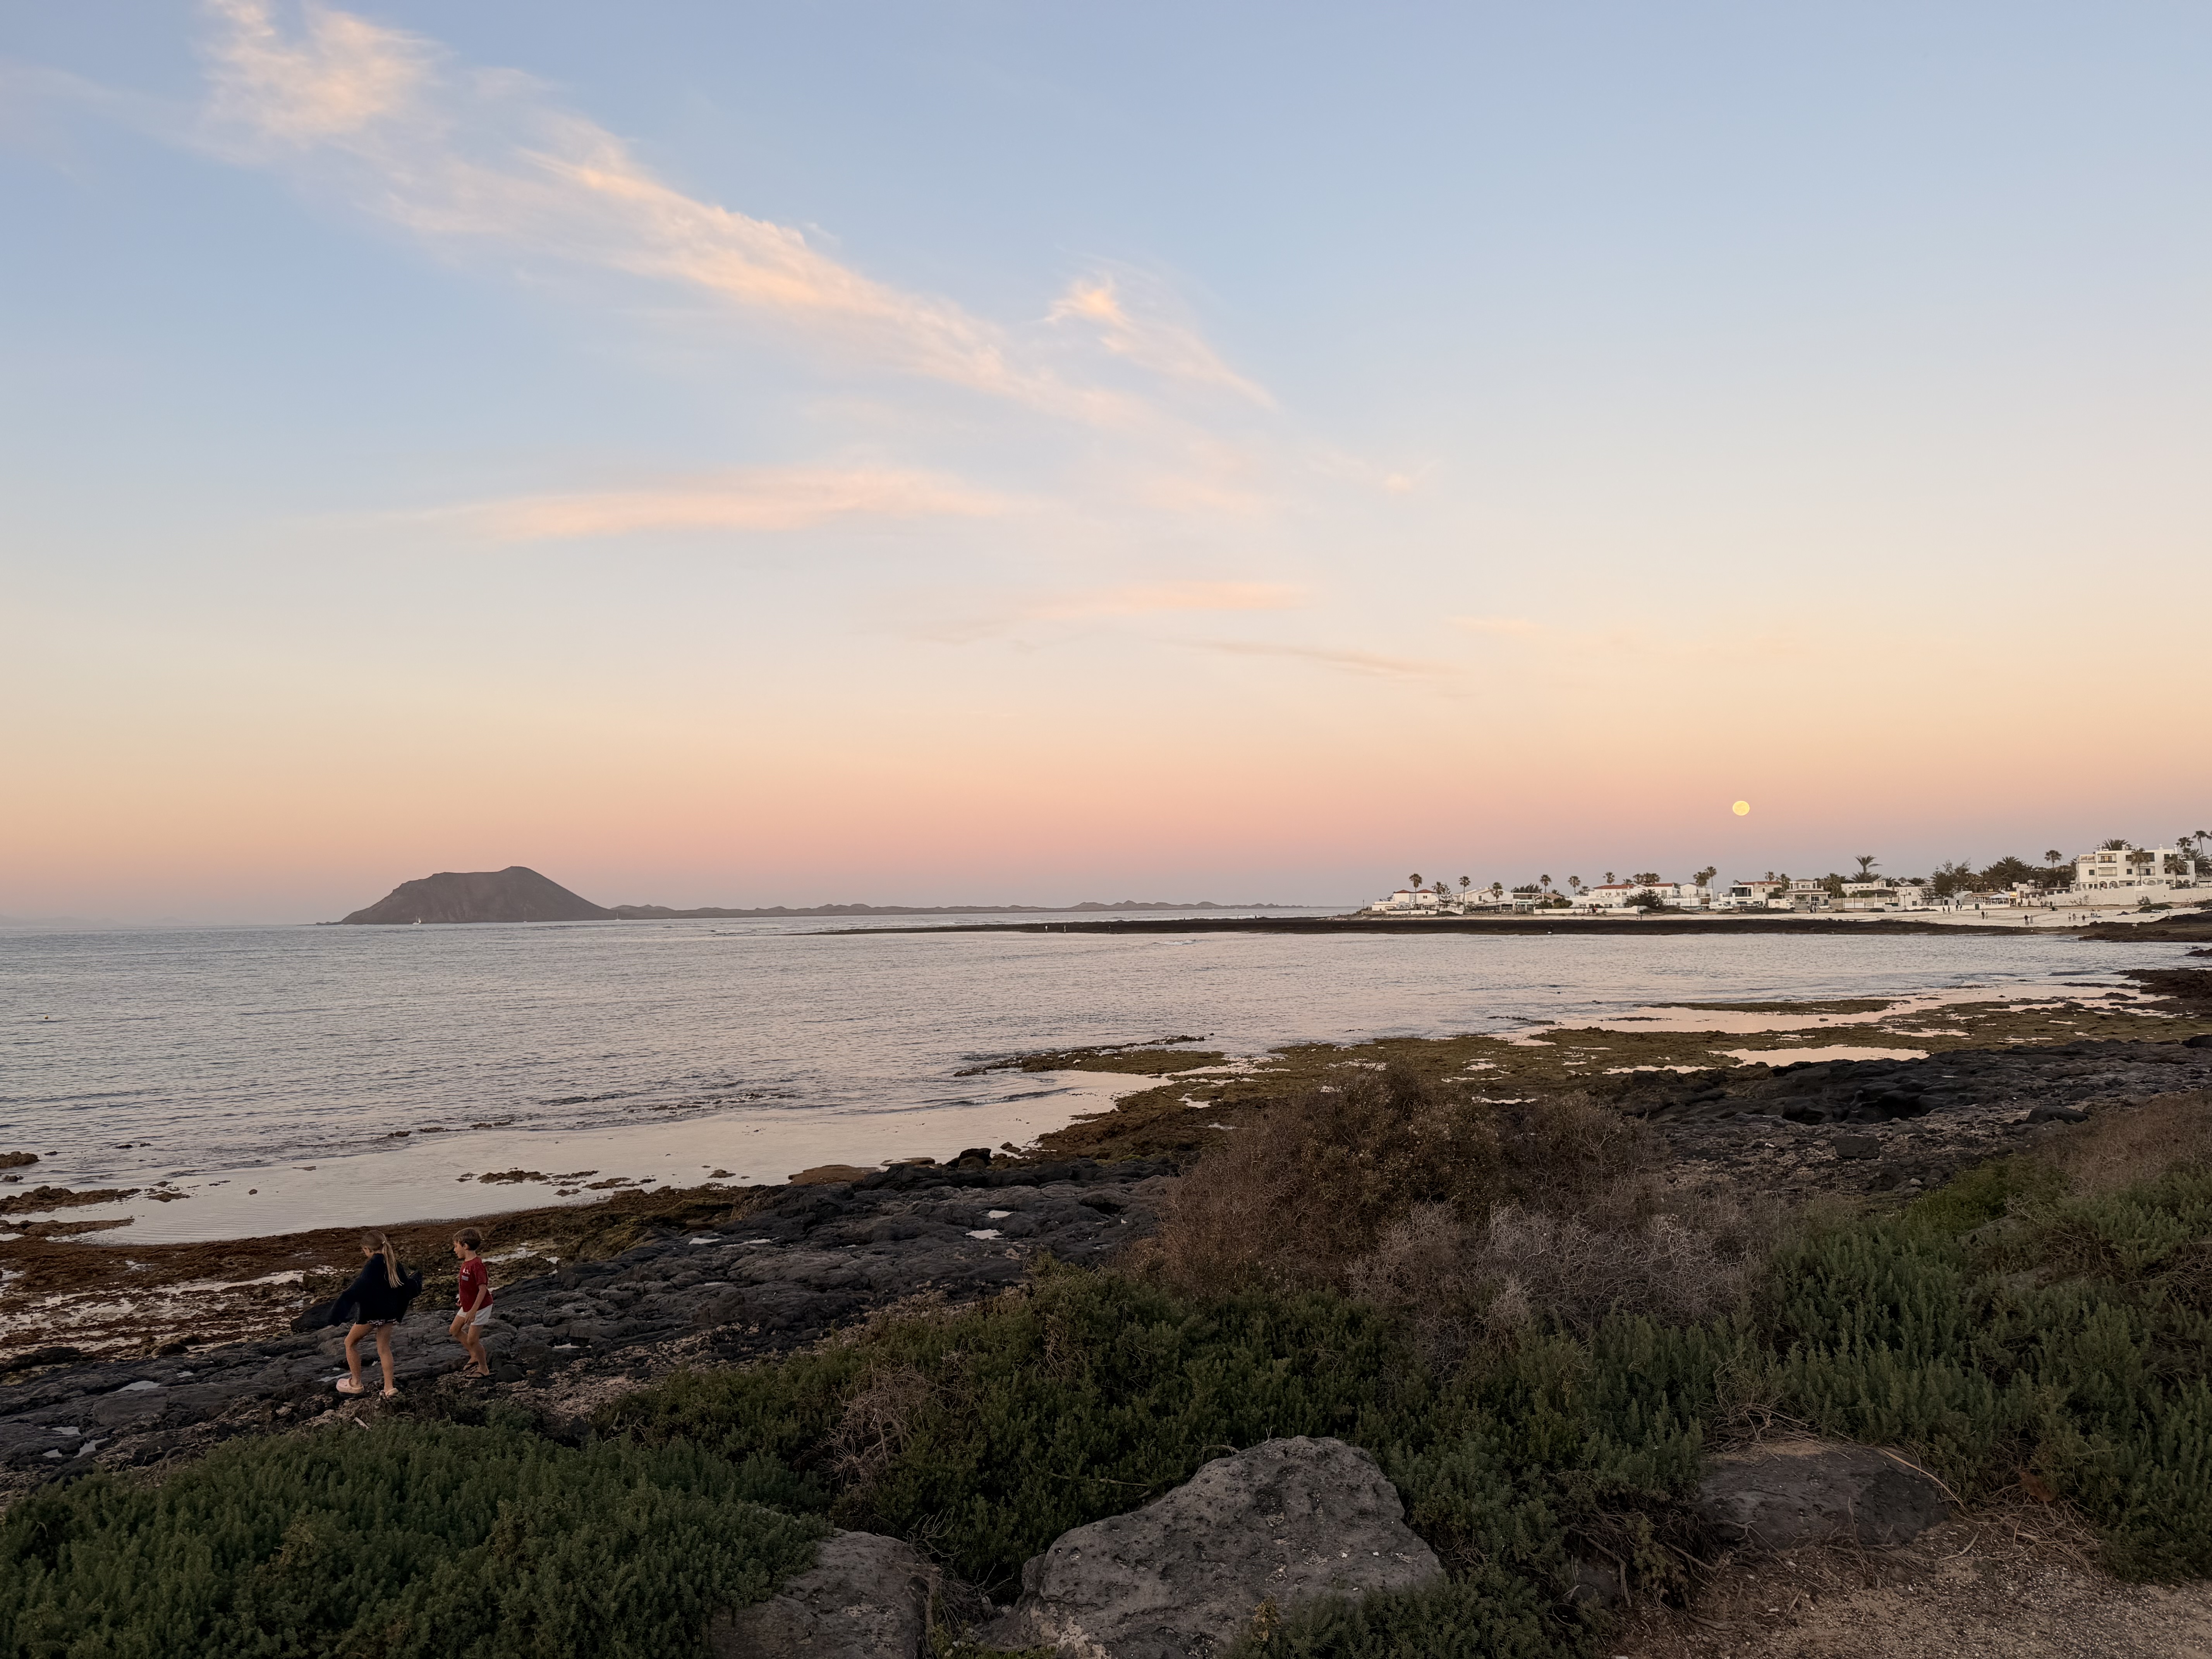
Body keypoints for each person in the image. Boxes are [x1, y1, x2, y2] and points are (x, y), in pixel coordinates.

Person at [334, 1229, 418, 1398]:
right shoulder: (394, 1263)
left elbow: (358, 1288)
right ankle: (389, 1388)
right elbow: (406, 1289)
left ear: (367, 1249)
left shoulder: (372, 1266)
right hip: (390, 1315)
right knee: (384, 1348)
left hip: (372, 1316)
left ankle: (356, 1383)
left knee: (350, 1343)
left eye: (364, 1251)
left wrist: (338, 1312)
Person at [450, 1228, 493, 1378]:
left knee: (473, 1340)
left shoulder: (476, 1265)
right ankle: (474, 1355)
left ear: (466, 1246)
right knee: (455, 1330)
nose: (454, 1250)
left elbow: (483, 1289)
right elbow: (466, 1286)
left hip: (480, 1307)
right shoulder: (465, 1264)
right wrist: (462, 1299)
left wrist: (473, 1311)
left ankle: (484, 1369)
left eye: (456, 1246)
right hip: (468, 1305)